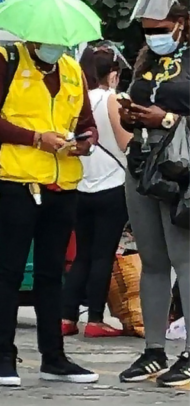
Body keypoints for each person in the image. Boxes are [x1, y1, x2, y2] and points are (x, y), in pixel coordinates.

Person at [0, 34, 100, 388]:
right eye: (46, 39)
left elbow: (88, 123)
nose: (52, 45)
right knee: (8, 272)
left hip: (62, 186)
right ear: (31, 37)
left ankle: (53, 358)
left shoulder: (72, 69)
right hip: (15, 182)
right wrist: (35, 138)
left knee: (50, 274)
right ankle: (4, 357)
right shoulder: (7, 61)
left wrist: (86, 142)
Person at [117, 0, 190, 387]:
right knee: (152, 258)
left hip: (178, 165)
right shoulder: (144, 63)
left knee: (184, 257)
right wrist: (131, 116)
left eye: (160, 28)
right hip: (142, 163)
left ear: (180, 24)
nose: (154, 36)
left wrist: (164, 119)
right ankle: (154, 349)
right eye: (148, 29)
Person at [61, 46, 131, 338]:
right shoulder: (111, 99)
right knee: (103, 254)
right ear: (112, 74)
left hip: (80, 185)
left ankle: (65, 317)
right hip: (112, 186)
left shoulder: (73, 99)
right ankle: (95, 319)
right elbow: (125, 141)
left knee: (82, 255)